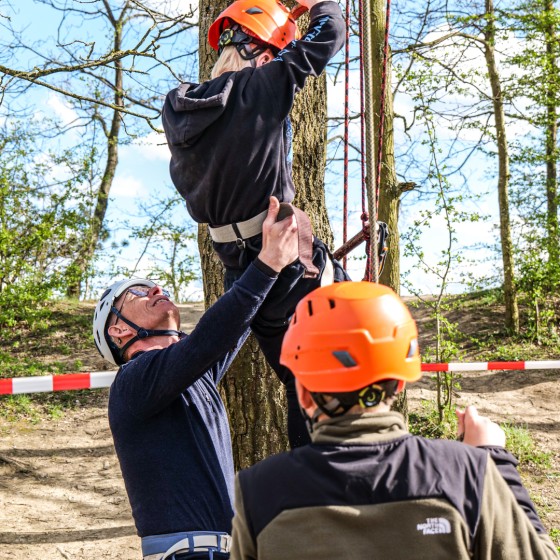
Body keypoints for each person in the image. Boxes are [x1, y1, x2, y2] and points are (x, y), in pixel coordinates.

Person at [229, 282, 559, 560]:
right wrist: (494, 460)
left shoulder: (257, 492)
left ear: (303, 394)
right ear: (400, 380)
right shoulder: (465, 473)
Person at [162, 0, 352, 449]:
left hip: (243, 278)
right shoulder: (261, 86)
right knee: (337, 371)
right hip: (286, 263)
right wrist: (321, 5)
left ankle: (309, 481)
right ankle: (336, 483)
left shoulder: (177, 108)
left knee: (296, 378)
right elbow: (331, 33)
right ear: (264, 54)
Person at [92, 198, 299, 560]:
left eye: (154, 286)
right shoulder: (133, 382)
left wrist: (244, 239)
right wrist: (267, 265)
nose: (157, 289)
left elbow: (234, 321)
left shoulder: (192, 376)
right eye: (138, 293)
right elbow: (209, 339)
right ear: (120, 329)